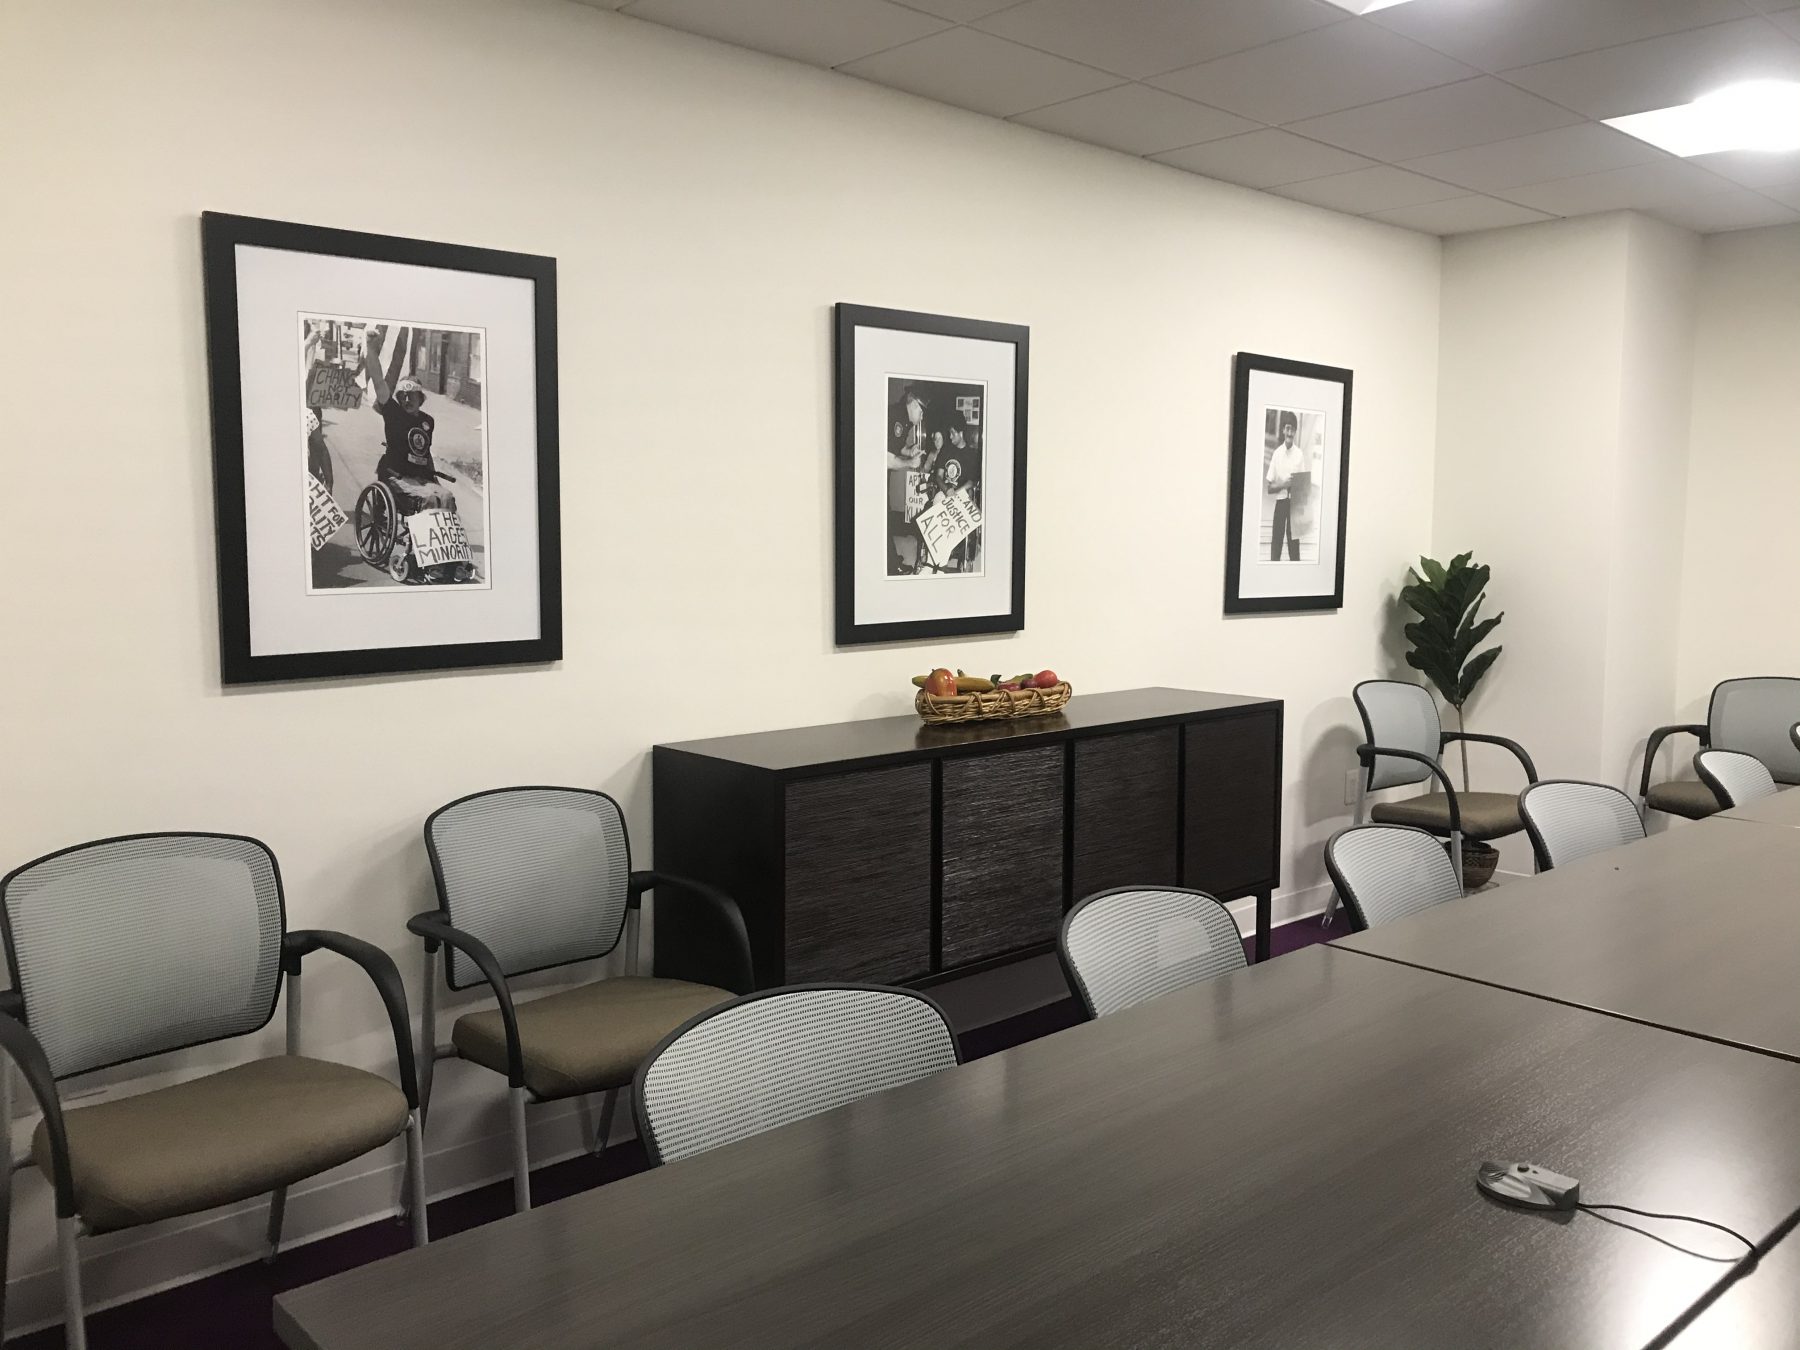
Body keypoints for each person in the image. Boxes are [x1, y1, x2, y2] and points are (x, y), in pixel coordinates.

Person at [360, 327, 454, 517]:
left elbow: (425, 453)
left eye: (412, 396)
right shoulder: (393, 413)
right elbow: (378, 380)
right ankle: (423, 542)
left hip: (421, 477)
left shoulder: (428, 422)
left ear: (421, 398)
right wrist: (370, 348)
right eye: (403, 396)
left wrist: (435, 479)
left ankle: (438, 545)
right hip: (397, 476)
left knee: (446, 497)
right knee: (429, 500)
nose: (407, 400)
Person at [1265, 411, 1305, 561]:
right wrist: (1284, 484)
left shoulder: (1300, 455)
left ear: (1295, 432)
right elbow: (1269, 488)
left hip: (1294, 506)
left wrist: (1297, 486)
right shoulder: (1276, 454)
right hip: (1280, 503)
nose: (1289, 432)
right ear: (1283, 430)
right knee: (1276, 544)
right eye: (1287, 428)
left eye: (1292, 429)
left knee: (1294, 546)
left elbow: (1303, 488)